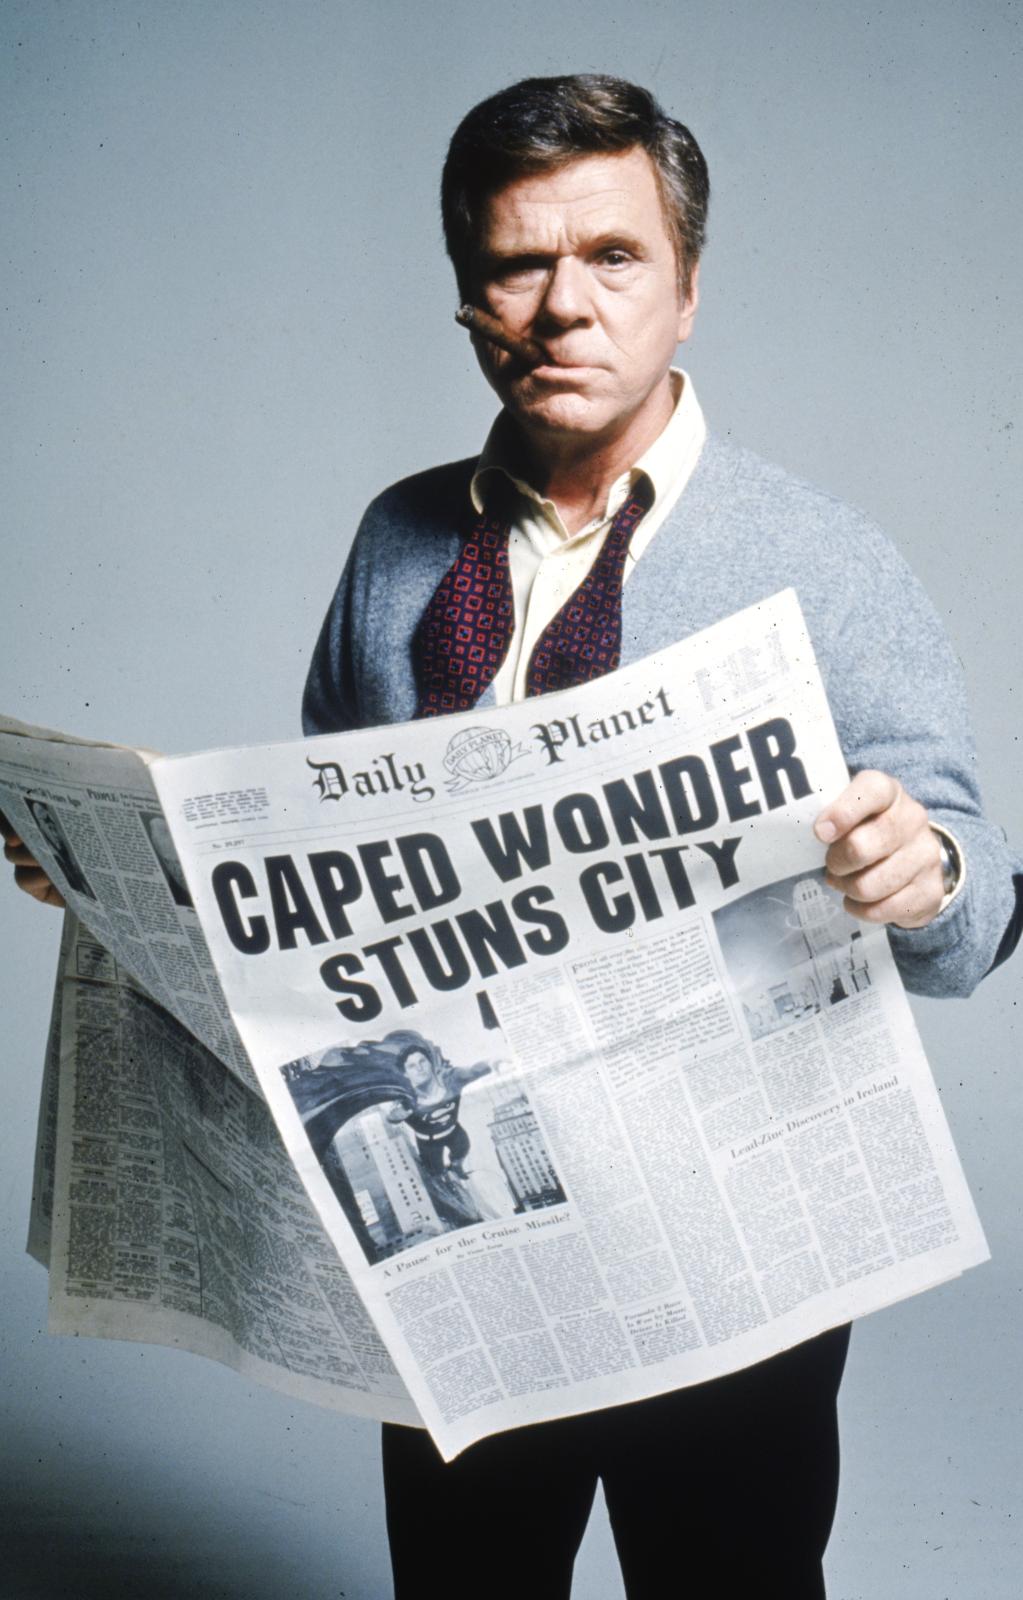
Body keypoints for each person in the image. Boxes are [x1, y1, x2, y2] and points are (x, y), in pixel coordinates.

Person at [3, 71, 1020, 1600]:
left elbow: (974, 909)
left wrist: (921, 869)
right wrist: (133, 882)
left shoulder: (823, 558)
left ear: (688, 288)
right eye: (515, 265)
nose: (563, 308)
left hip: (728, 1245)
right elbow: (334, 879)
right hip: (470, 1230)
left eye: (611, 257)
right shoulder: (397, 545)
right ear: (468, 297)